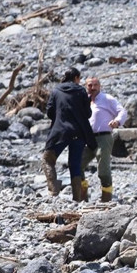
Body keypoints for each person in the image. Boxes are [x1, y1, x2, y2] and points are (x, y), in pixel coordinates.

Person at [43, 67, 97, 202]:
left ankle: (53, 191)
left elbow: (49, 112)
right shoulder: (81, 91)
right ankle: (77, 199)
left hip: (60, 132)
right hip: (79, 132)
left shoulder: (56, 90)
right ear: (76, 78)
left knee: (48, 159)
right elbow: (88, 114)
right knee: (75, 165)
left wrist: (60, 117)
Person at [80, 76, 128, 202]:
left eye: (95, 85)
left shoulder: (107, 99)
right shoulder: (84, 101)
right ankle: (82, 197)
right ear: (86, 87)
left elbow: (122, 111)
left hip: (103, 137)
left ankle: (106, 199)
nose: (93, 88)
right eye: (90, 85)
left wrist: (117, 121)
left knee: (103, 170)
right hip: (87, 138)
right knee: (77, 165)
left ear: (100, 86)